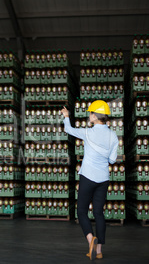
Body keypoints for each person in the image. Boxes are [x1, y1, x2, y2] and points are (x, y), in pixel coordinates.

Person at [60, 100, 119, 261]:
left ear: (94, 115)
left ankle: (90, 239)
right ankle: (99, 250)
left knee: (81, 212)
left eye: (90, 113)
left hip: (87, 177)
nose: (89, 116)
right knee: (99, 213)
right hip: (103, 179)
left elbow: (69, 129)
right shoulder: (113, 136)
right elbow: (113, 160)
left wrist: (66, 116)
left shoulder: (87, 133)